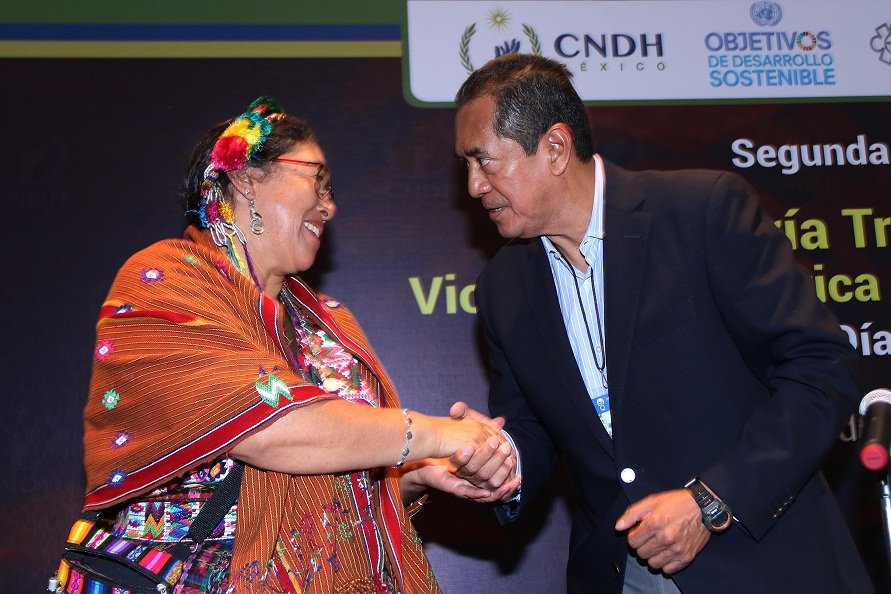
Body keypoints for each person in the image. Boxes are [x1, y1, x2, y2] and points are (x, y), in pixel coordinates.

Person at [53, 97, 517, 594]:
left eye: (330, 188)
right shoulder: (165, 280)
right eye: (317, 179)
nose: (329, 205)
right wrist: (436, 435)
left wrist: (419, 475)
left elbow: (331, 489)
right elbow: (269, 424)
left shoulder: (327, 321)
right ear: (246, 180)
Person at [451, 54, 872, 593]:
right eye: (467, 165)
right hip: (617, 573)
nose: (473, 186)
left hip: (760, 562)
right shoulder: (502, 288)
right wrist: (499, 461)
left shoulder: (700, 213)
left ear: (555, 148)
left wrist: (711, 501)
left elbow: (820, 369)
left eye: (484, 161)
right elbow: (533, 430)